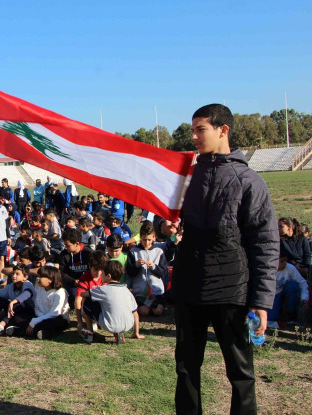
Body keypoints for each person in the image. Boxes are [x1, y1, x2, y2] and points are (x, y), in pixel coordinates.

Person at [172, 104, 279, 415]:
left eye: (200, 129)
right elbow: (180, 224)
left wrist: (260, 300)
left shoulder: (249, 181)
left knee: (240, 374)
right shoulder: (187, 178)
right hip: (191, 287)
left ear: (223, 130)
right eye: (192, 129)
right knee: (186, 369)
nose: (193, 136)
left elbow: (265, 243)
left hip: (232, 289)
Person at [81, 261, 143, 344]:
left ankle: (90, 333)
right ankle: (119, 333)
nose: (100, 274)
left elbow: (83, 294)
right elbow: (135, 313)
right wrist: (136, 332)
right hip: (128, 325)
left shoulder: (103, 289)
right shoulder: (127, 290)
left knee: (87, 302)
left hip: (109, 325)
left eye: (102, 272)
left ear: (109, 276)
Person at [127, 220, 168, 317]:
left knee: (158, 311)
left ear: (154, 237)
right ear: (140, 237)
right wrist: (136, 265)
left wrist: (154, 267)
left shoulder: (158, 251)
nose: (147, 242)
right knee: (144, 311)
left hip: (156, 291)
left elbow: (163, 272)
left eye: (149, 240)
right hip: (140, 292)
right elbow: (130, 272)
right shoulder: (134, 252)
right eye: (144, 239)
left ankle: (157, 304)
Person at [266, 243, 309, 328]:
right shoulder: (267, 270)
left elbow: (302, 283)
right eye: (281, 261)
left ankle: (291, 315)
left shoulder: (290, 268)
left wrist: (304, 298)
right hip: (271, 296)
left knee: (293, 286)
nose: (284, 263)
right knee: (271, 319)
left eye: (285, 260)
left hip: (283, 292)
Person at [24, 265, 69, 339]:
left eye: (40, 277)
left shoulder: (60, 292)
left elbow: (55, 313)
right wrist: (39, 318)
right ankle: (35, 332)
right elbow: (37, 307)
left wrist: (37, 321)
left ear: (50, 280)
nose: (38, 278)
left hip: (57, 318)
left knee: (51, 323)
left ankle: (32, 332)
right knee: (27, 318)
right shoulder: (39, 289)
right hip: (41, 316)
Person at [75, 250, 106, 343]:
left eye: (101, 269)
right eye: (96, 269)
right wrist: (79, 323)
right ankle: (90, 329)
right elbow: (78, 301)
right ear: (90, 266)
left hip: (104, 307)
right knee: (85, 302)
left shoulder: (107, 276)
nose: (99, 273)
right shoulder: (85, 278)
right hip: (89, 309)